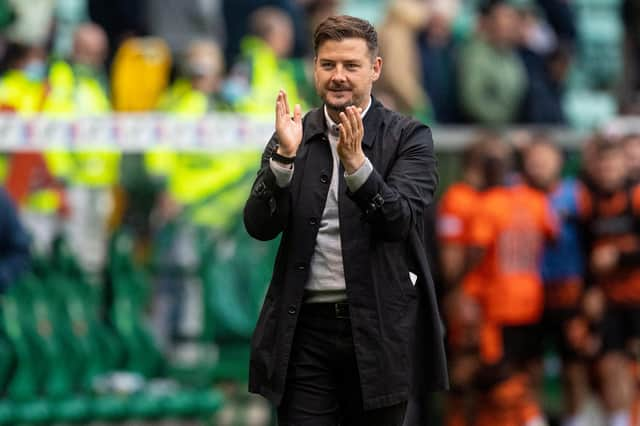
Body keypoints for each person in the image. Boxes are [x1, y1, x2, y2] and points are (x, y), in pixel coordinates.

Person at [243, 15, 447, 425]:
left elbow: (400, 222)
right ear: (313, 68)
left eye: (351, 66)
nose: (338, 76)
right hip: (304, 333)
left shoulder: (409, 137)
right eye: (328, 64)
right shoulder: (292, 135)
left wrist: (358, 167)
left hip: (379, 332)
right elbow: (258, 226)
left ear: (375, 69)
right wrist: (282, 161)